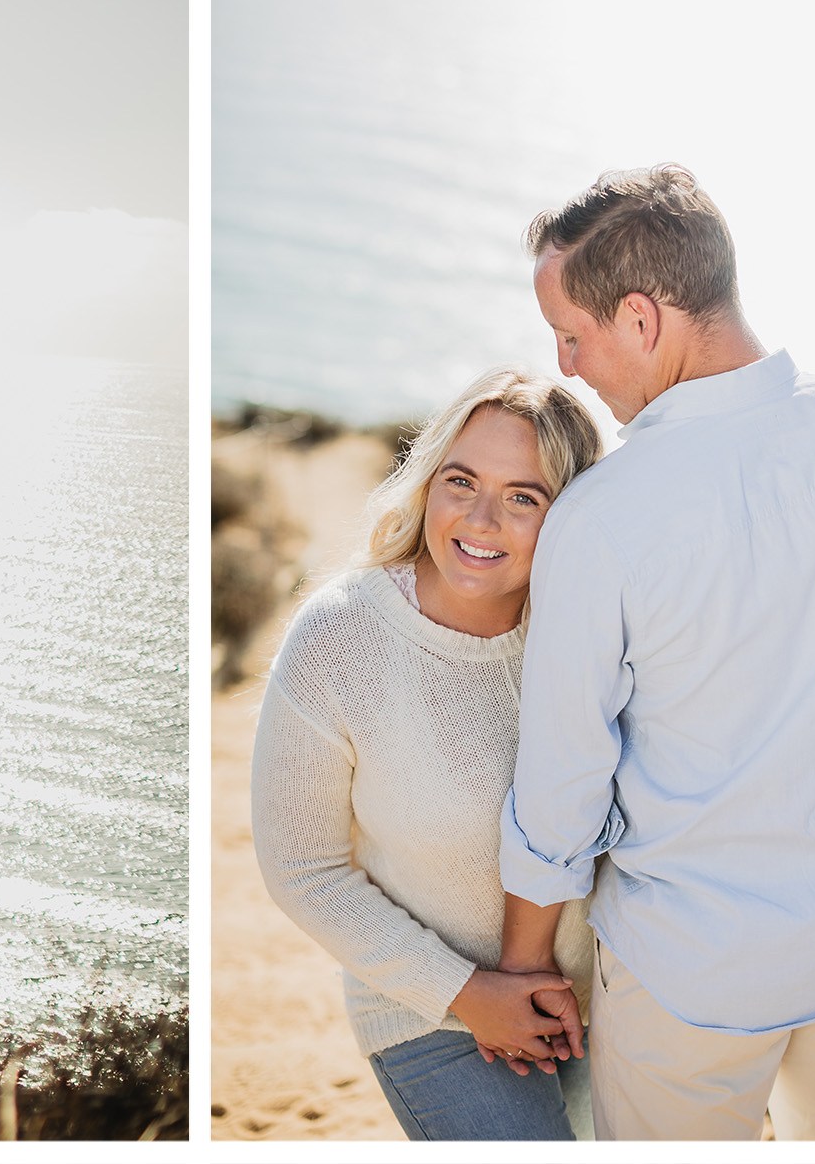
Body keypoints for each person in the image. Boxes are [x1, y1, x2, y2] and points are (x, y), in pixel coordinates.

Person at [499, 165, 815, 1140]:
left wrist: (520, 963)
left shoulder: (602, 518)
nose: (563, 363)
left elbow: (564, 777)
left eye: (572, 333)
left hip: (692, 976)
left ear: (640, 320)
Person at [253, 367, 605, 1141]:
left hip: (597, 1008)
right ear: (426, 484)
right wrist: (468, 992)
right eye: (461, 481)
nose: (481, 520)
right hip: (430, 1012)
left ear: (570, 516)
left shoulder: (591, 633)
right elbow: (302, 869)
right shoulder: (339, 638)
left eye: (524, 496)